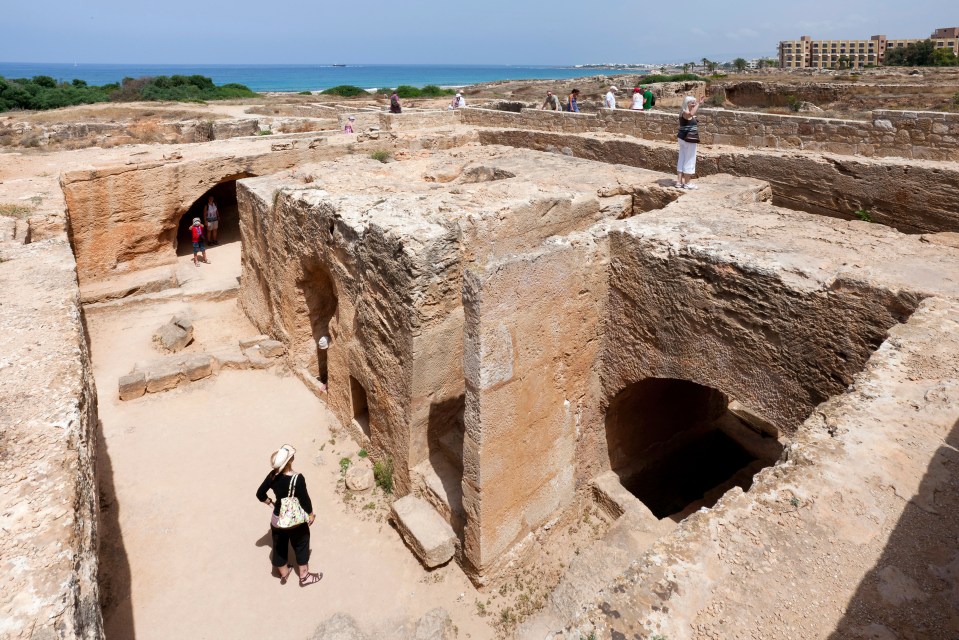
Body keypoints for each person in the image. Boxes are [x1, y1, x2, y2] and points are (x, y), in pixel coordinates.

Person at [256, 444, 322, 586]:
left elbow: (259, 493)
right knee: (302, 543)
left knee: (279, 546)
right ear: (289, 461)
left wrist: (270, 503)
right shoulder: (298, 479)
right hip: (294, 521)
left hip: (277, 519)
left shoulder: (272, 475)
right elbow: (304, 499)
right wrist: (310, 514)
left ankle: (284, 573)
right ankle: (304, 576)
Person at [676, 96, 702, 189]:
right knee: (690, 160)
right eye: (692, 103)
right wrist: (699, 103)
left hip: (683, 138)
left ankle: (679, 182)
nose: (694, 104)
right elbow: (690, 114)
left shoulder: (683, 112)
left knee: (682, 158)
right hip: (689, 139)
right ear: (687, 103)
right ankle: (687, 183)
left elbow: (691, 116)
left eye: (694, 103)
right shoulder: (685, 113)